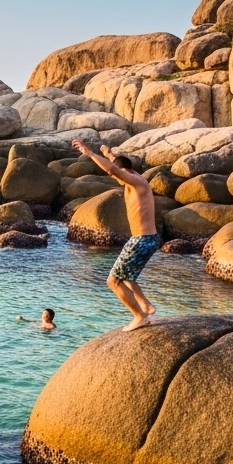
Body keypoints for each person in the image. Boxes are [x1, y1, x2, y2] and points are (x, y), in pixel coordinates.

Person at [73, 139, 160, 331]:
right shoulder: (133, 176)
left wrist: (90, 154)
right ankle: (145, 305)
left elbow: (114, 170)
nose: (118, 180)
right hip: (146, 238)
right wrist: (107, 152)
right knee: (127, 276)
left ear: (127, 172)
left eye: (121, 175)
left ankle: (139, 316)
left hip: (142, 239)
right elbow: (116, 166)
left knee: (113, 281)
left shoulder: (136, 182)